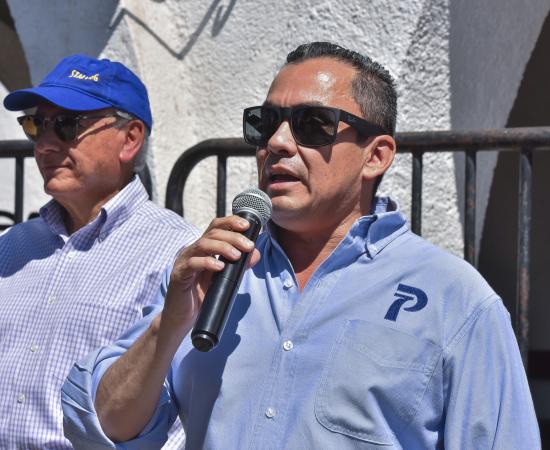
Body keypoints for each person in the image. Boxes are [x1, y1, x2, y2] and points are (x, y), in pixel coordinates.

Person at [61, 43, 540, 449]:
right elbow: (101, 427)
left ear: (376, 156)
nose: (278, 142)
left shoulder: (456, 300)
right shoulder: (212, 273)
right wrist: (168, 326)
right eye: (265, 122)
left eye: (313, 123)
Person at [0, 55, 198, 449]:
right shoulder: (12, 245)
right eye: (36, 125)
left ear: (130, 138)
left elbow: (183, 406)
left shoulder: (177, 253)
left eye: (67, 124)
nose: (45, 144)